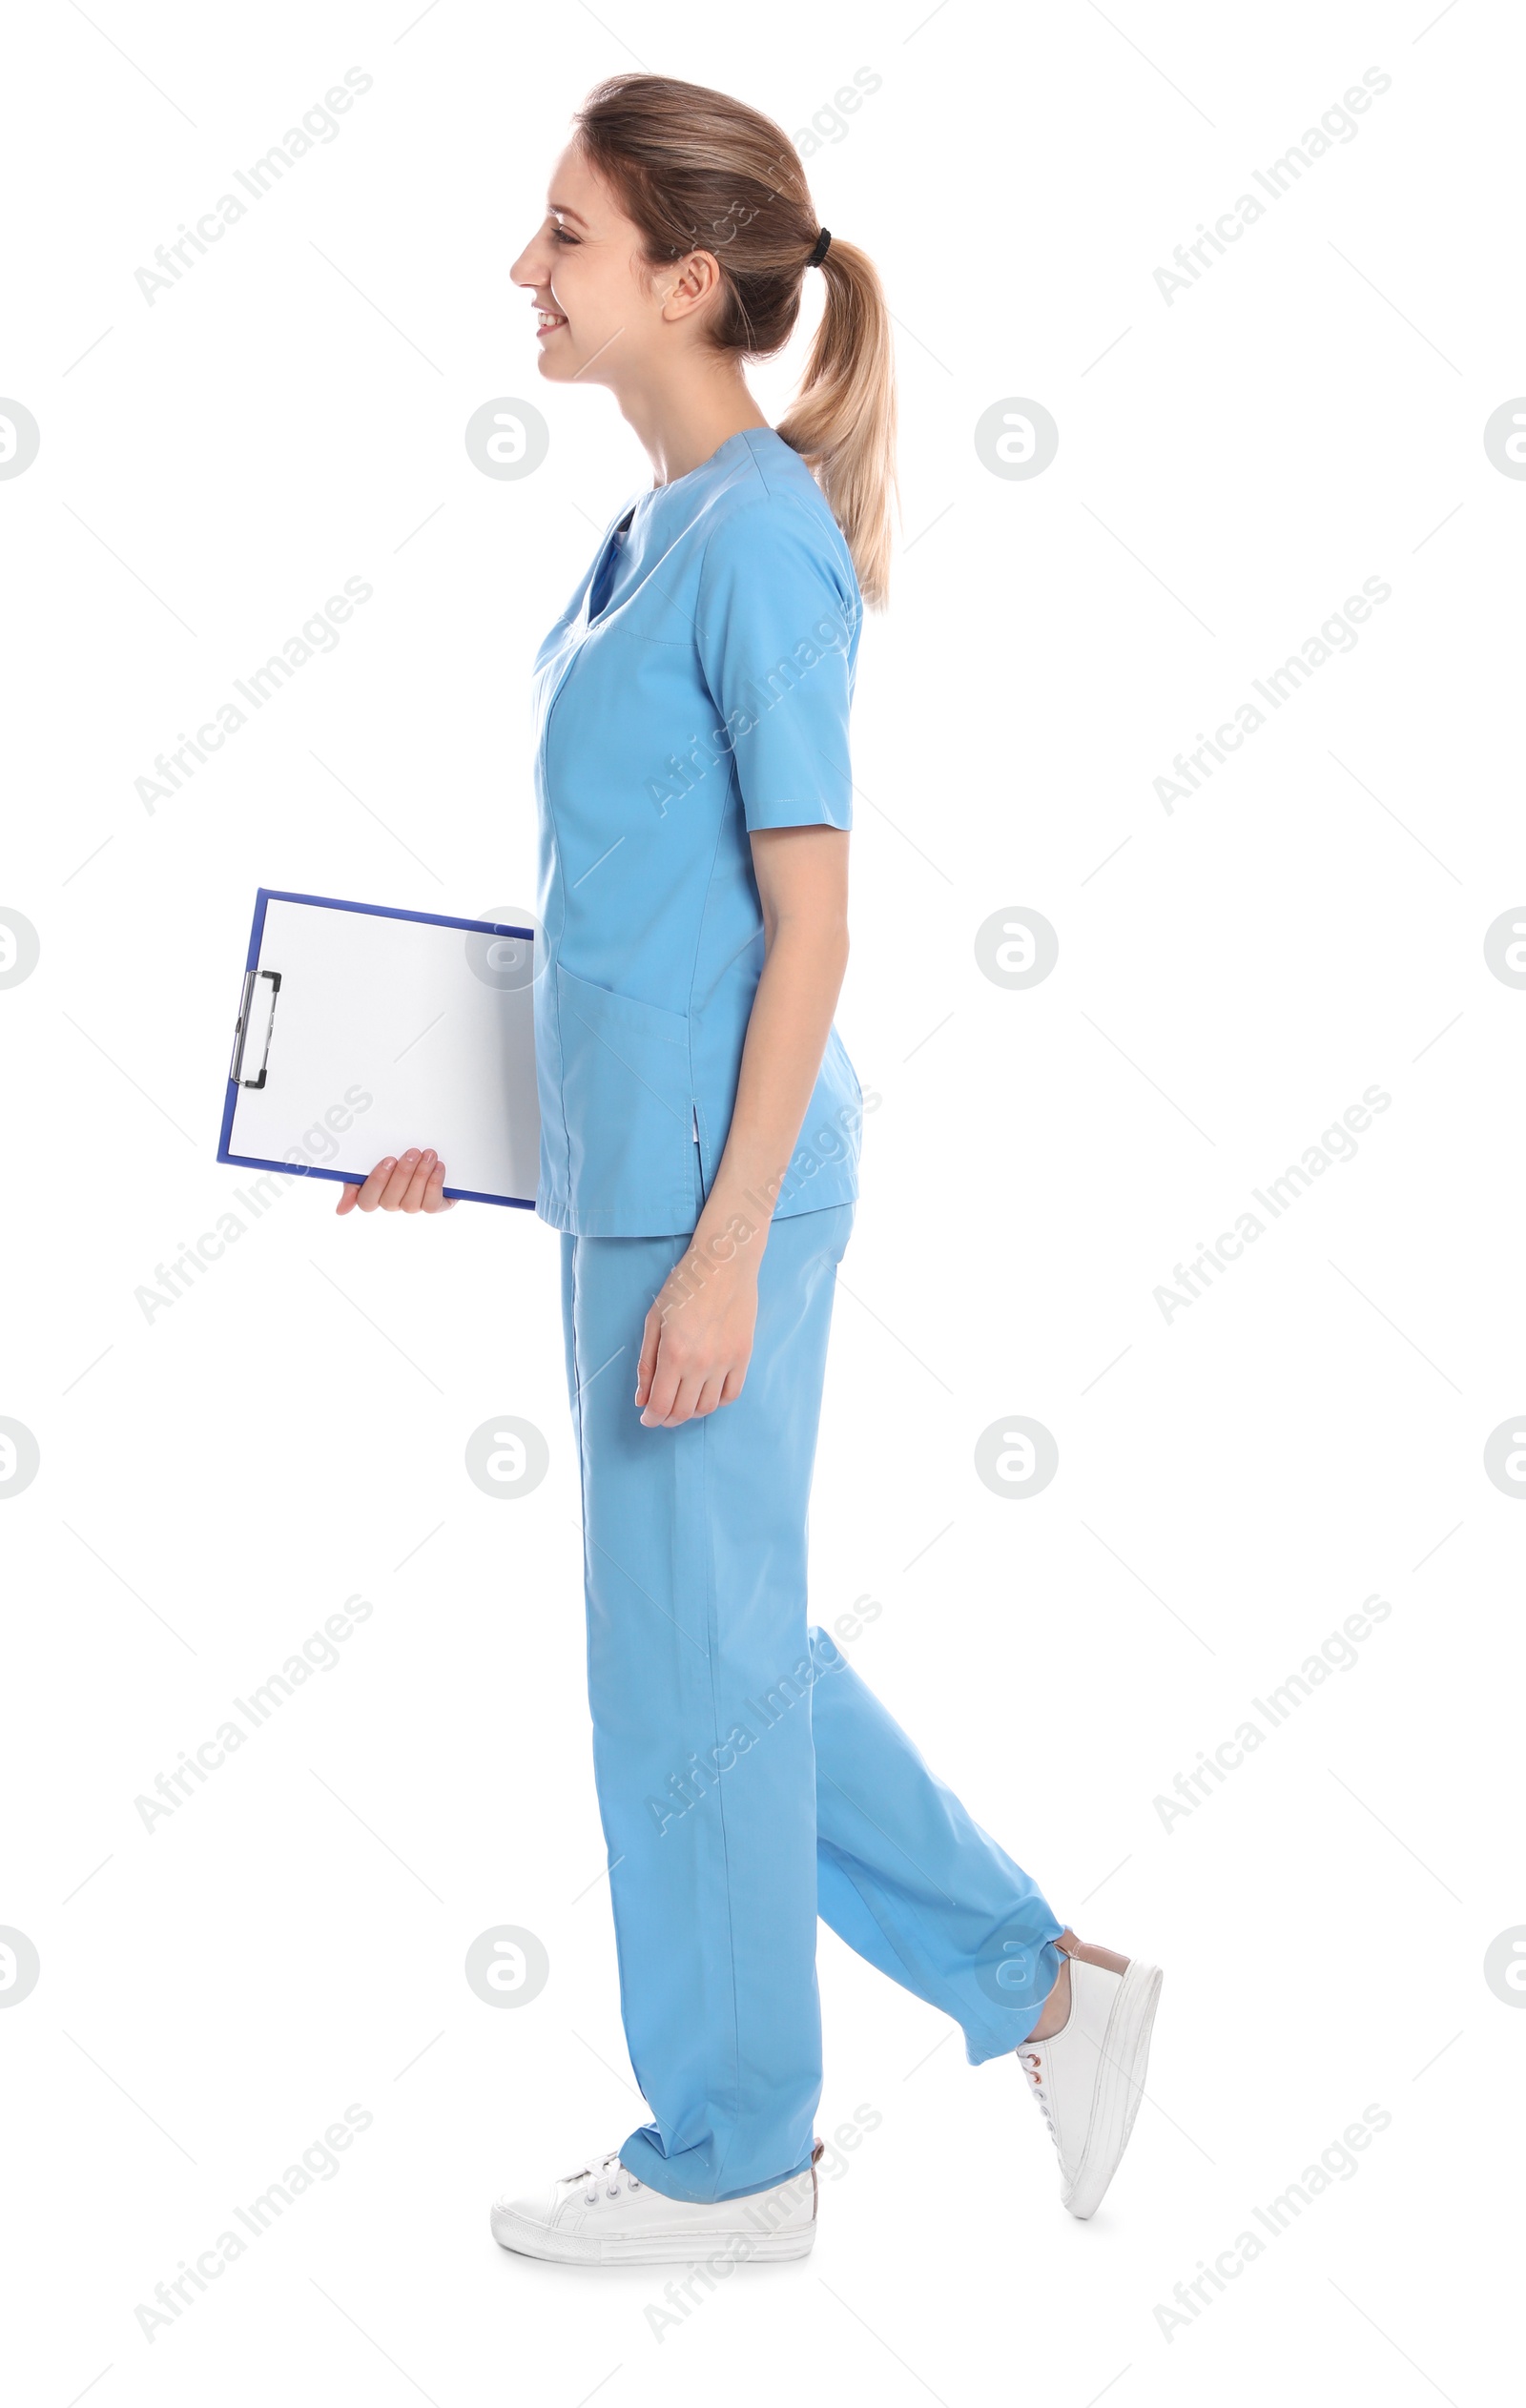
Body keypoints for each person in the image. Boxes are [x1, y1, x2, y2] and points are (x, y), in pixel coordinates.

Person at [338, 72, 1162, 2265]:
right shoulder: (648, 537)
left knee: (684, 1685)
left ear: (687, 283)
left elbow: (812, 924)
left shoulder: (766, 545)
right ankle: (1039, 1989)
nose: (527, 271)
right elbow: (643, 920)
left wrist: (711, 1258)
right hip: (629, 1187)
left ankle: (738, 2156)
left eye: (565, 236)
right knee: (720, 1663)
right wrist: (455, 1120)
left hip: (719, 1204)